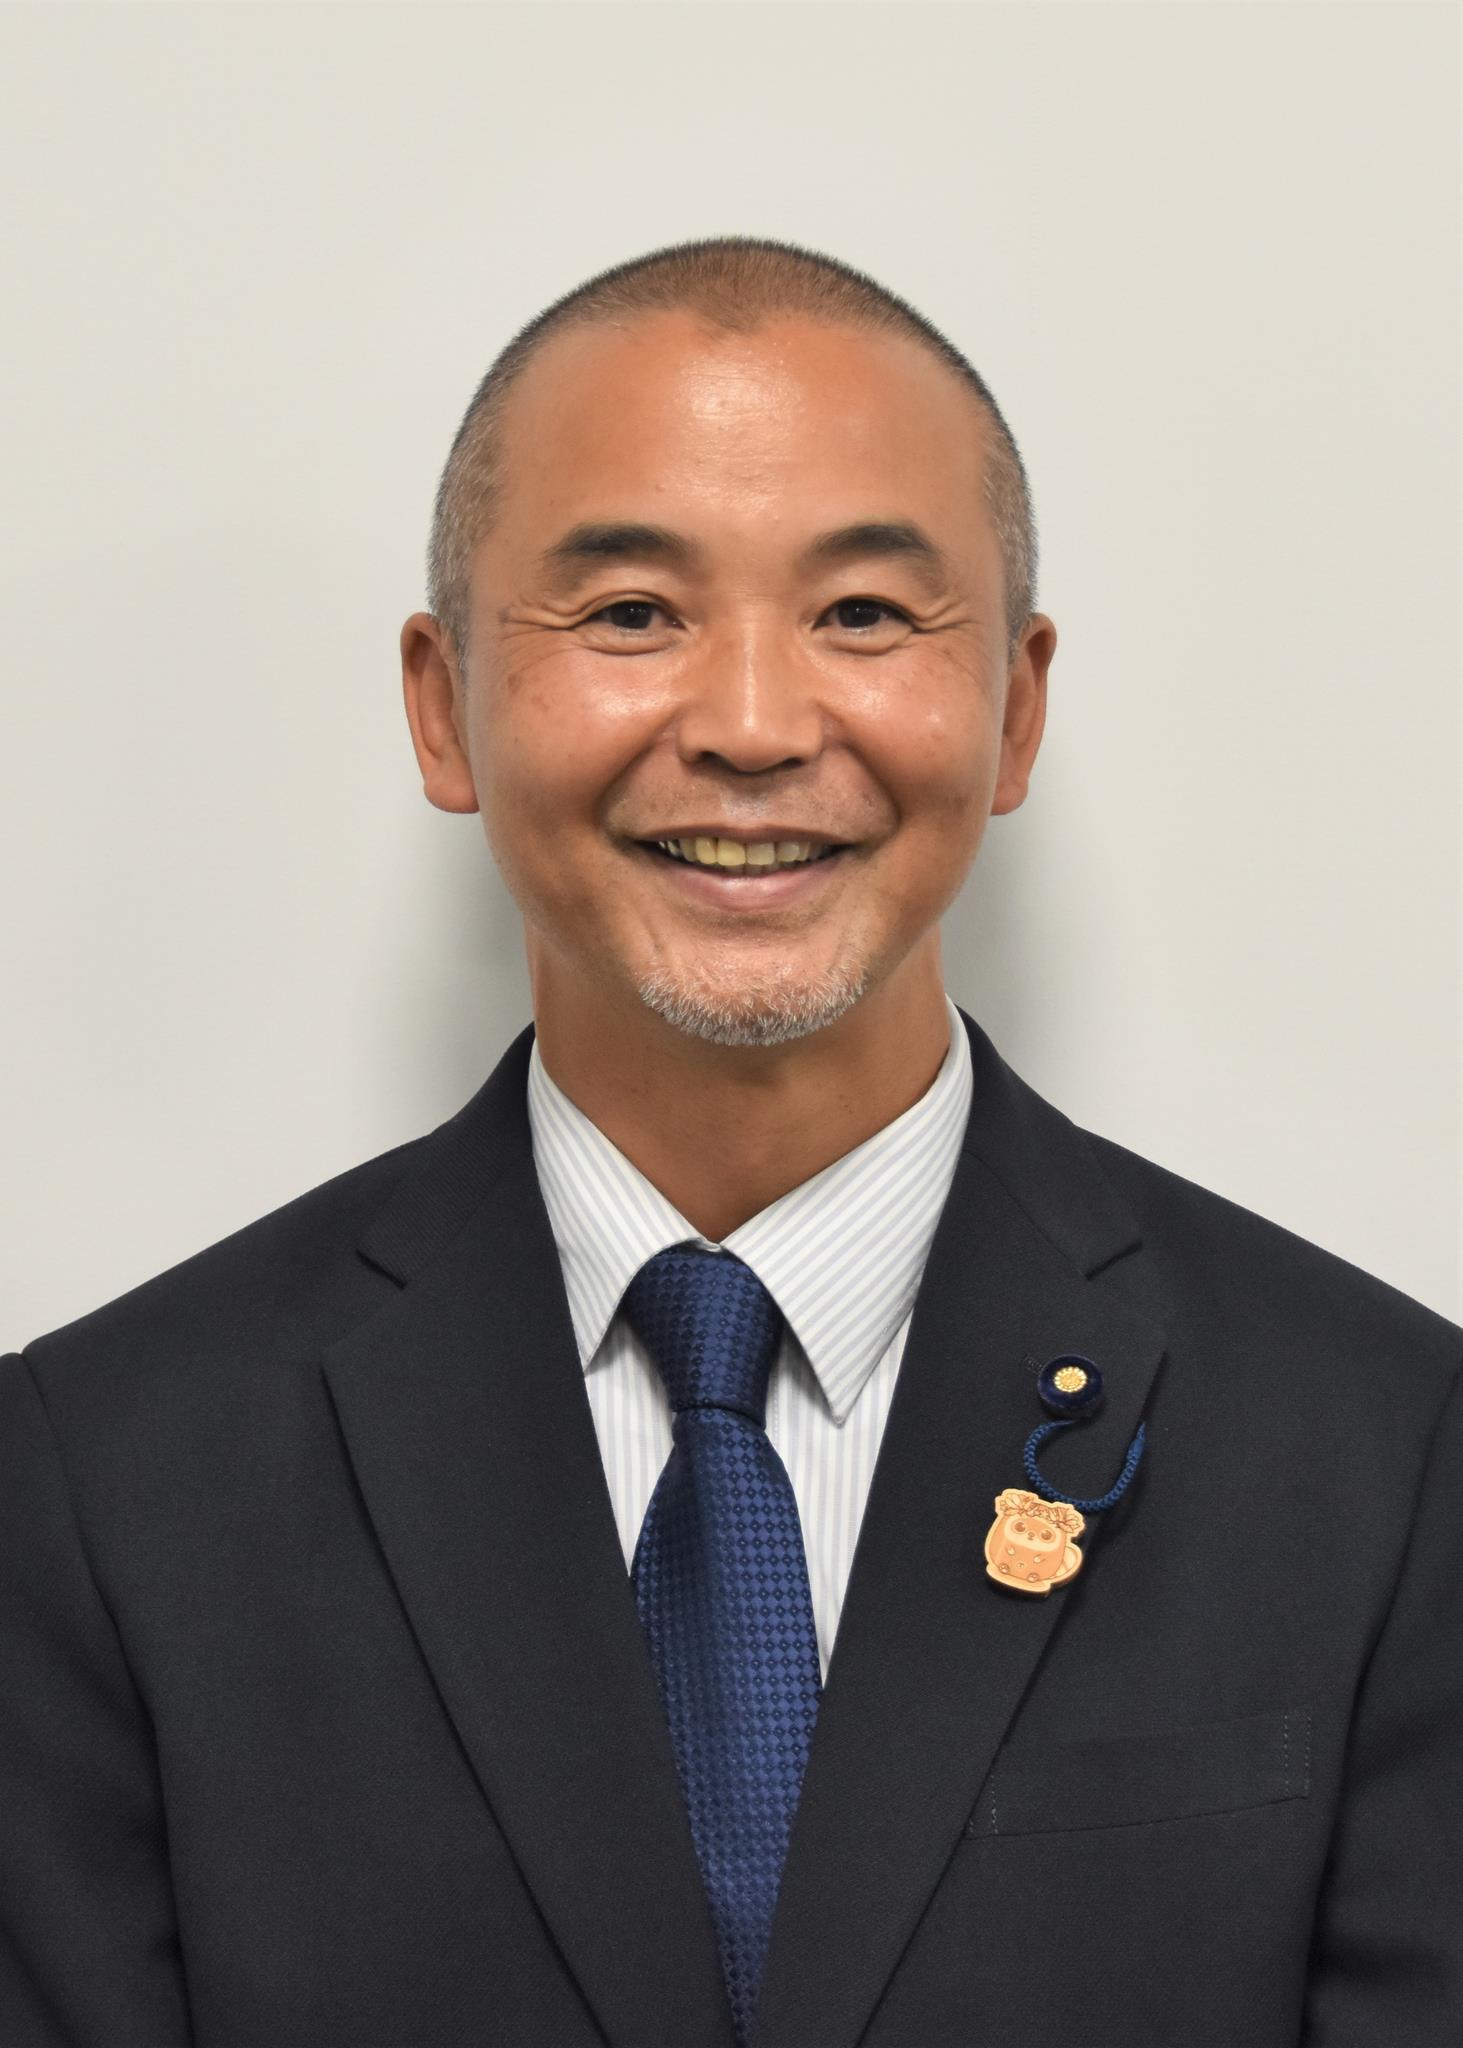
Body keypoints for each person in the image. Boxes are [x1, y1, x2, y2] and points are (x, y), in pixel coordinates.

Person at [1, 234, 1458, 2048]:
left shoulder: (1388, 1455)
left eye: (865, 615)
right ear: (444, 708)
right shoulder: (103, 1482)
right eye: (630, 615)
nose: (755, 728)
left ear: (1016, 708)